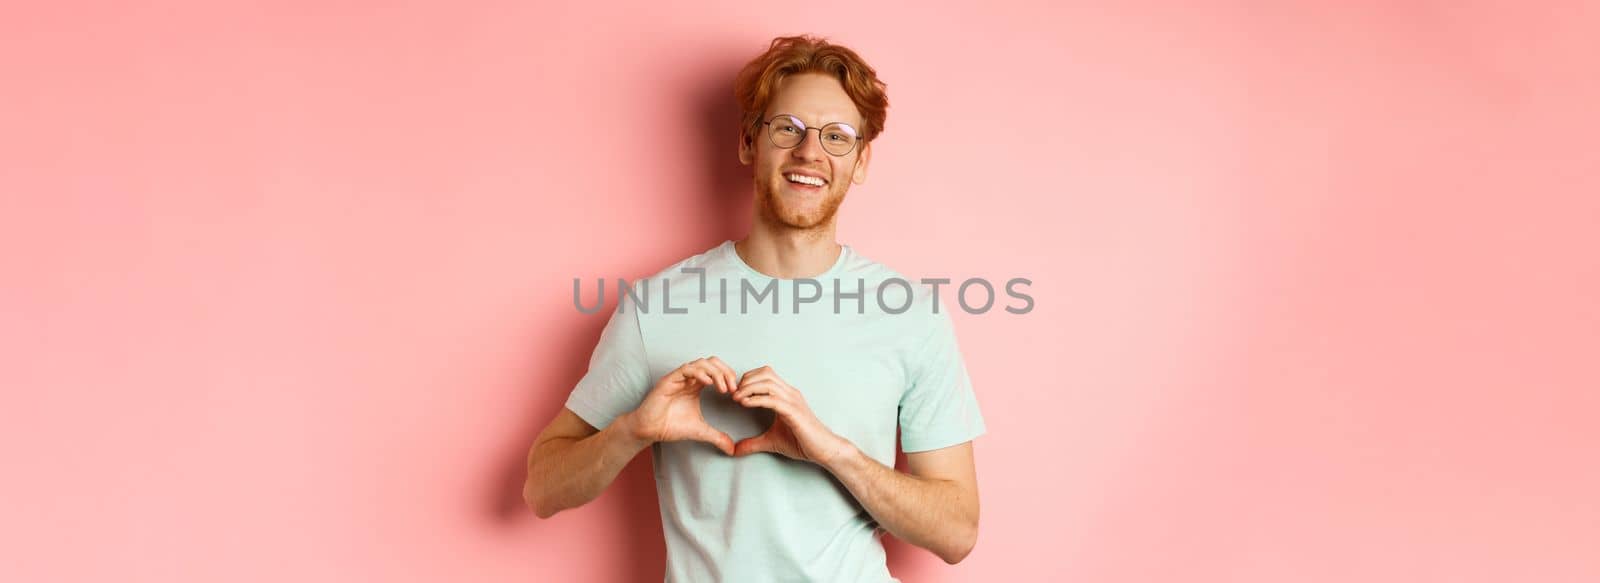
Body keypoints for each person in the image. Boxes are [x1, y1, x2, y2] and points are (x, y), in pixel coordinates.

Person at [523, 34, 986, 582]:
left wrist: (832, 452)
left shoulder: (911, 316)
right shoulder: (656, 306)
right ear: (749, 142)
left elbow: (957, 533)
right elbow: (541, 489)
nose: (810, 152)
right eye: (788, 128)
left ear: (861, 161)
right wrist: (632, 431)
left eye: (837, 137)